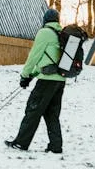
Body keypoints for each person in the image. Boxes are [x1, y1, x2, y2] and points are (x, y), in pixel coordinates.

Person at [5, 8, 66, 154]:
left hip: (46, 81)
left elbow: (34, 56)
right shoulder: (60, 34)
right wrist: (32, 75)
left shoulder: (44, 33)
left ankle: (21, 143)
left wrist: (25, 75)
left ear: (45, 20)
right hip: (60, 80)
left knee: (32, 110)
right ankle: (55, 146)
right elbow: (49, 59)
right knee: (52, 113)